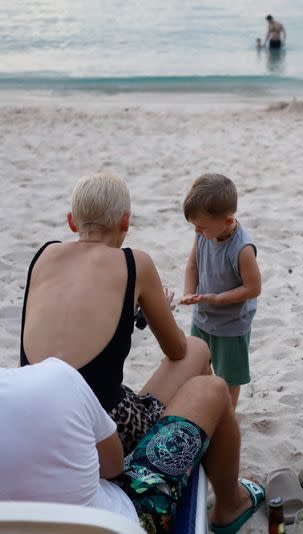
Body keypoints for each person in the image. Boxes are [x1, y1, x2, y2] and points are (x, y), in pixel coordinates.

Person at [20, 172, 211, 455]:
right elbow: (176, 350)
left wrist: (132, 310)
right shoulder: (135, 262)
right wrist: (157, 308)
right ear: (125, 221)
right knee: (197, 349)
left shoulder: (44, 255)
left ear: (71, 221)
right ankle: (203, 462)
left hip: (35, 420)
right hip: (105, 430)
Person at [0, 357, 265, 534]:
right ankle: (230, 506)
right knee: (209, 389)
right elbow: (113, 465)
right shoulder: (55, 377)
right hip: (121, 522)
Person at [180, 174, 261, 409]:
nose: (196, 230)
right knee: (198, 367)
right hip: (202, 318)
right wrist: (188, 292)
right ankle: (205, 408)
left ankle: (226, 416)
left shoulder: (242, 249)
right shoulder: (204, 234)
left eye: (201, 226)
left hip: (231, 326)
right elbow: (192, 264)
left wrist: (217, 299)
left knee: (228, 379)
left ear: (227, 221)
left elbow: (254, 288)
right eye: (194, 225)